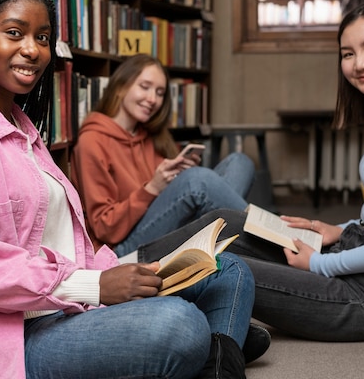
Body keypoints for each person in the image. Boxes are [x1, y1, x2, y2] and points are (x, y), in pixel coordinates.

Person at [0, 0, 262, 379]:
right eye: (14, 33)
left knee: (230, 271)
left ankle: (214, 361)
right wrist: (95, 287)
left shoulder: (23, 130)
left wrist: (128, 275)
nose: (32, 50)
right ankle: (218, 346)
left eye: (42, 38)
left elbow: (68, 244)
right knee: (179, 325)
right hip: (12, 337)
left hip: (66, 307)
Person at [145, 0, 364, 342]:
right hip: (357, 249)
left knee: (220, 265)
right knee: (226, 222)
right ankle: (118, 269)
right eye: (347, 53)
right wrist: (338, 229)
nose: (359, 63)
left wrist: (321, 264)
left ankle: (123, 282)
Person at [71, 53, 257, 257]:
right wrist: (152, 188)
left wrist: (178, 175)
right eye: (145, 87)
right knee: (198, 181)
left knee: (240, 162)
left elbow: (170, 202)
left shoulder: (151, 134)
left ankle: (227, 238)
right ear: (121, 86)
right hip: (122, 248)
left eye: (160, 93)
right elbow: (105, 229)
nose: (153, 99)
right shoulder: (92, 141)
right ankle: (269, 239)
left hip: (164, 227)